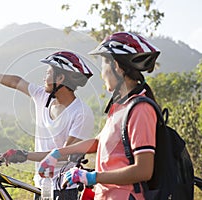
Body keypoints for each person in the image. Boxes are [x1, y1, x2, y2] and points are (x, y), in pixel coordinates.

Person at [37, 32, 161, 200]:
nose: (102, 75)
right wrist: (57, 153)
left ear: (116, 66)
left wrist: (93, 177)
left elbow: (143, 170)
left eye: (103, 66)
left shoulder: (140, 109)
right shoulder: (120, 107)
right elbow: (97, 142)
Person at [0, 51, 95, 200]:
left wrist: (24, 155)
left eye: (48, 73)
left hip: (64, 188)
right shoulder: (42, 97)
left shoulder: (81, 113)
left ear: (60, 78)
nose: (43, 77)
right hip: (41, 185)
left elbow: (65, 154)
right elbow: (16, 82)